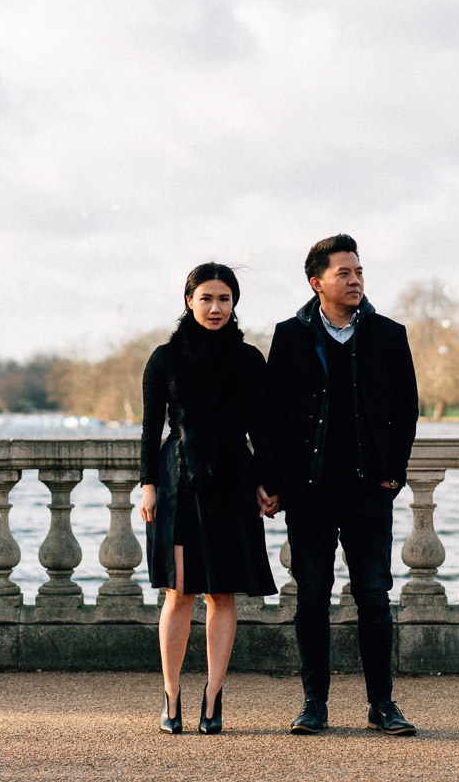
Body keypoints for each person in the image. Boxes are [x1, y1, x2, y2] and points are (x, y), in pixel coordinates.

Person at [263, 234, 420, 736]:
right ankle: (314, 704)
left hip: (368, 490)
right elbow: (271, 418)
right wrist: (272, 481)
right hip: (308, 491)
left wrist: (392, 475)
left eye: (359, 272)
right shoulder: (290, 336)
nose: (355, 281)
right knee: (312, 596)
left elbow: (405, 411)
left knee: (374, 596)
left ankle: (382, 704)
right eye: (343, 274)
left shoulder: (389, 335)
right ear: (317, 282)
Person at [138, 262, 277, 734]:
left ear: (234, 303)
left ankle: (214, 695)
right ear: (189, 301)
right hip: (178, 480)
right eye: (207, 299)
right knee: (179, 592)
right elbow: (150, 425)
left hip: (234, 480)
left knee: (222, 593)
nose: (216, 308)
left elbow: (262, 428)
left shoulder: (249, 359)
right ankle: (172, 693)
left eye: (224, 299)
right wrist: (148, 483)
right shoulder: (164, 358)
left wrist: (266, 480)